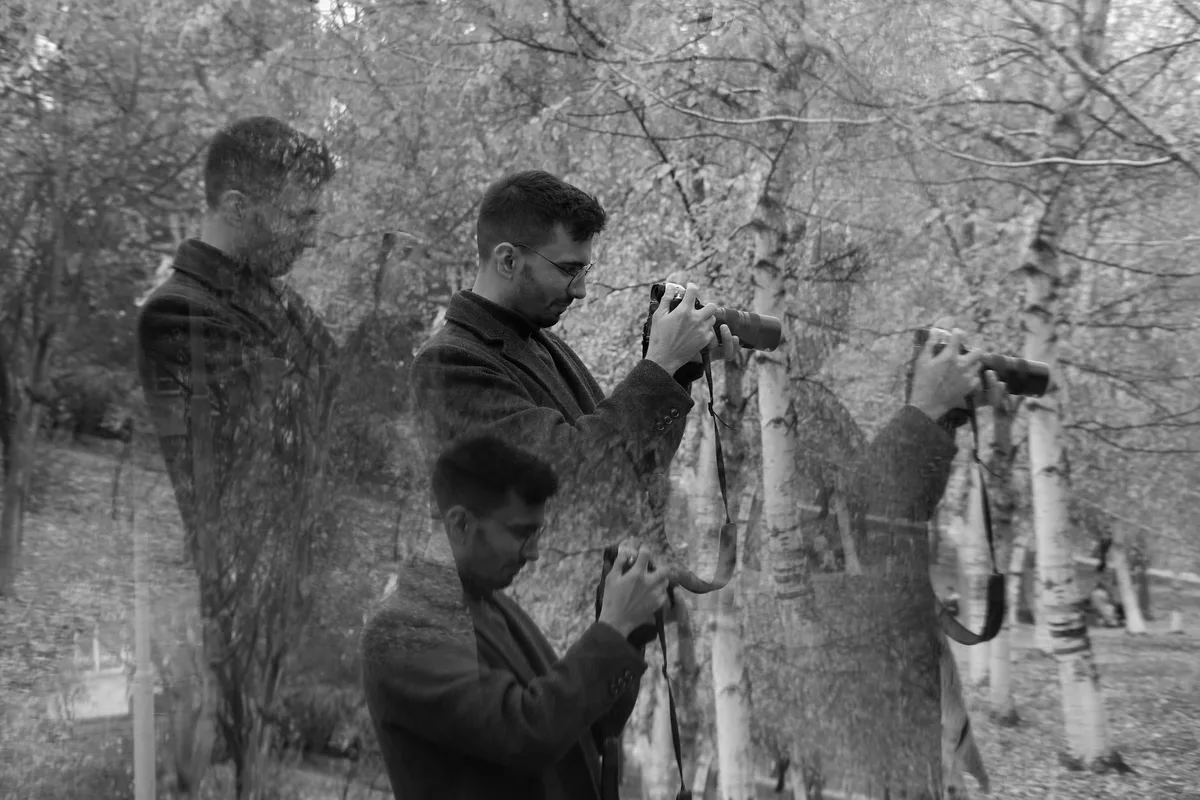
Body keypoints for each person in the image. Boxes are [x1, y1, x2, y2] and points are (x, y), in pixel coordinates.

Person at [135, 115, 340, 793]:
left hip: (284, 621)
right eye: (299, 216)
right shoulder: (180, 313)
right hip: (226, 635)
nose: (313, 234)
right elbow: (273, 452)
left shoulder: (278, 304)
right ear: (236, 207)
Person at [408, 169, 739, 543]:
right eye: (568, 270)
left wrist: (678, 369)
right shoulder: (448, 365)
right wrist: (660, 366)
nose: (580, 291)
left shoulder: (544, 345)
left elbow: (631, 469)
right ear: (508, 261)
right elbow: (569, 483)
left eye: (584, 270)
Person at [360, 434, 670, 800]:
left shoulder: (495, 605)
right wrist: (613, 629)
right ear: (460, 525)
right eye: (523, 532)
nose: (534, 553)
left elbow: (584, 729)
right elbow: (528, 734)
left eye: (537, 533)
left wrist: (631, 628)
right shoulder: (401, 629)